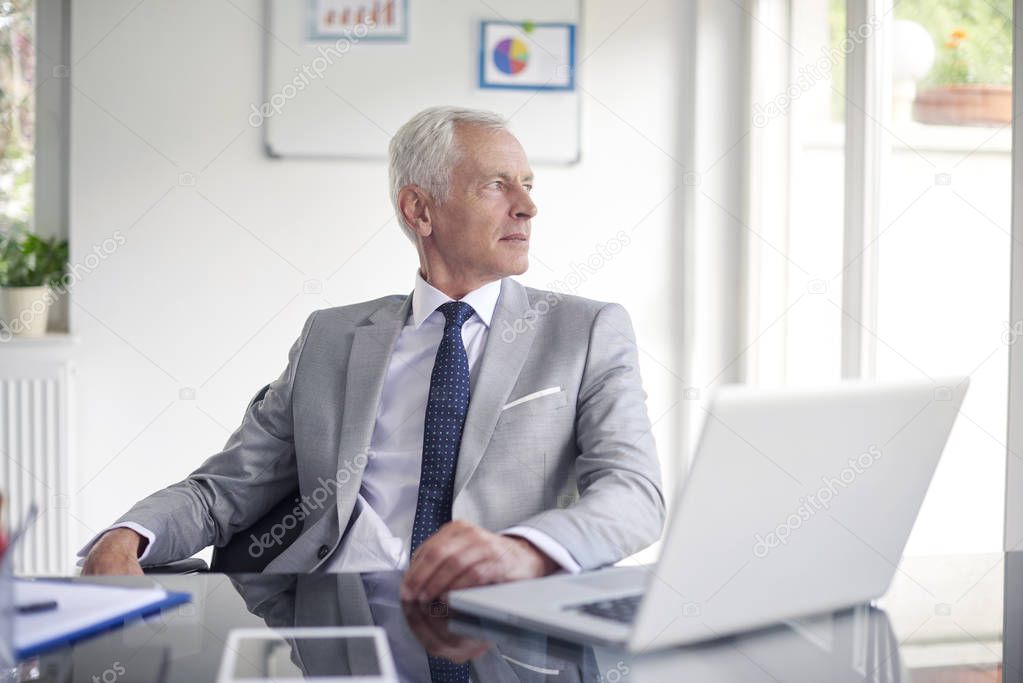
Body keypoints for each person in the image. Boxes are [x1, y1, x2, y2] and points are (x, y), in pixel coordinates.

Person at [80, 106, 665, 606]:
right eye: (496, 184)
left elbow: (635, 495)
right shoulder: (330, 338)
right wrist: (128, 535)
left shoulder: (585, 330)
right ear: (420, 211)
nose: (526, 207)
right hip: (333, 616)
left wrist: (524, 550)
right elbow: (226, 488)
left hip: (500, 623)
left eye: (528, 185)